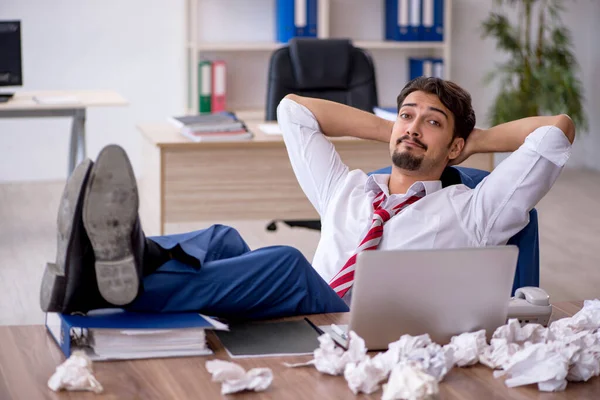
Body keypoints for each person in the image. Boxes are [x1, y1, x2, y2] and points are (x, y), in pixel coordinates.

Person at [40, 77, 575, 319]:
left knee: (289, 265)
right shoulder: (349, 189)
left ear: (455, 145)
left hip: (357, 326)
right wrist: (398, 129)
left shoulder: (476, 212)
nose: (413, 128)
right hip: (309, 320)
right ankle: (119, 261)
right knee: (224, 238)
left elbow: (556, 128)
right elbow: (294, 109)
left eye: (431, 123)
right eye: (405, 115)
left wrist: (470, 143)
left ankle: (100, 283)